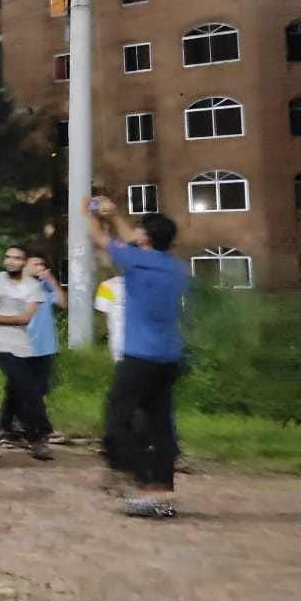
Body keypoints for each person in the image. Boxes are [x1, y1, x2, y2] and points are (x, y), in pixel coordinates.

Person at [85, 197, 187, 518]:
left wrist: (85, 211)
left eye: (140, 230)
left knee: (118, 419)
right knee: (159, 425)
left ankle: (140, 474)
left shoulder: (136, 263)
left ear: (145, 238)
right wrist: (116, 216)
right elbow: (133, 239)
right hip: (169, 357)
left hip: (140, 357)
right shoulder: (175, 266)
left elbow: (100, 240)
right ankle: (160, 493)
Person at [0, 244, 54, 461]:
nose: (10, 261)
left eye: (16, 258)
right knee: (24, 384)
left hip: (22, 342)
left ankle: (9, 430)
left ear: (24, 262)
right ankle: (37, 436)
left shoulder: (33, 287)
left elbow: (26, 318)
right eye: (8, 257)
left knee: (26, 388)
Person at [1, 252, 66, 445]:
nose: (41, 268)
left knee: (38, 389)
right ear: (25, 266)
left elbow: (62, 302)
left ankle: (18, 427)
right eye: (36, 264)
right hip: (22, 344)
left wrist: (52, 281)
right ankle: (17, 429)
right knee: (17, 389)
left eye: (43, 264)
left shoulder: (44, 286)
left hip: (45, 347)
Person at [95, 275, 126, 362]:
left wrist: (97, 340)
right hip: (142, 346)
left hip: (118, 344)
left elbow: (102, 320)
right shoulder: (142, 285)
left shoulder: (106, 286)